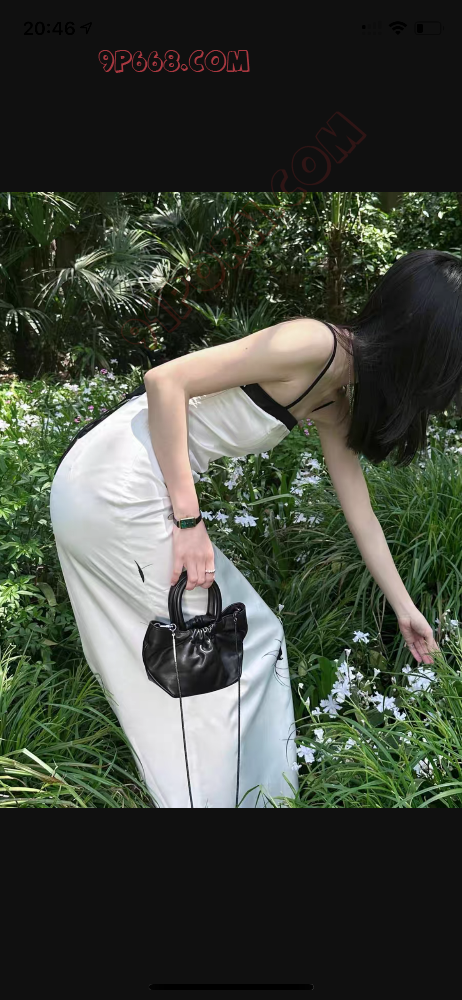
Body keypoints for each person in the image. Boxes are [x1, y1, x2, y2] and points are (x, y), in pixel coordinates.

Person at [50, 248, 458, 808]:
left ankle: (236, 796)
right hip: (120, 485)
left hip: (117, 484)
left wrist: (404, 608)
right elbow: (164, 380)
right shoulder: (313, 344)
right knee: (240, 648)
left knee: (200, 655)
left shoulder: (333, 394)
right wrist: (188, 520)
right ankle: (240, 801)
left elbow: (360, 511)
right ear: (425, 345)